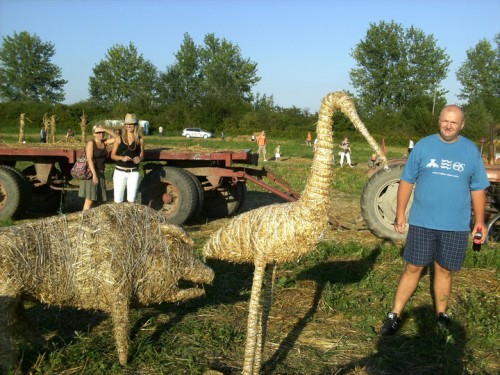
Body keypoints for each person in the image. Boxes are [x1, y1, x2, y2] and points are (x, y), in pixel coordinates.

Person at [381, 105, 490, 336]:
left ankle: (441, 314)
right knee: (413, 267)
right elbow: (407, 181)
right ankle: (395, 314)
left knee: (444, 270)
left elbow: (478, 187)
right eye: (444, 121)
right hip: (422, 221)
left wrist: (480, 221)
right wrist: (400, 213)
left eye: (454, 122)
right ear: (439, 120)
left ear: (462, 125)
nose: (448, 126)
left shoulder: (470, 150)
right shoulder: (423, 146)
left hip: (455, 224)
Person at [79, 125, 116, 210]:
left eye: (102, 132)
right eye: (98, 132)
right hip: (92, 173)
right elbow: (89, 159)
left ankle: (93, 219)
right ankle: (85, 219)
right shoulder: (91, 143)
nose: (100, 134)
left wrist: (106, 129)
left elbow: (117, 138)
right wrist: (94, 175)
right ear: (94, 134)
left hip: (101, 172)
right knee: (90, 199)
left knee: (98, 198)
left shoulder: (104, 142)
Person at [111, 113, 145, 203]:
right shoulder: (119, 138)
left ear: (135, 125)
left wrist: (139, 158)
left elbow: (142, 155)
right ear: (125, 125)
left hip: (133, 172)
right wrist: (121, 158)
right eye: (127, 124)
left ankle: (130, 217)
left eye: (131, 124)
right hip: (120, 172)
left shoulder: (140, 139)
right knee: (118, 200)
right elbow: (112, 155)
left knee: (132, 200)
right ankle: (118, 217)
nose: (129, 126)